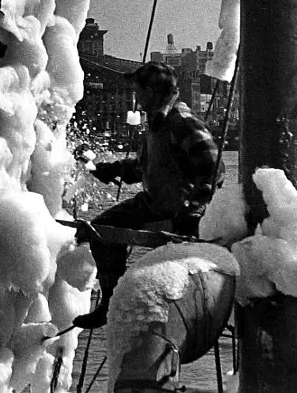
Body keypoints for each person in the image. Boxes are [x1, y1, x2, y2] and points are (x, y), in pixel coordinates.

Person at [73, 61, 222, 330]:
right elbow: (148, 166)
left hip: (176, 207)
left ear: (151, 91)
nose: (136, 97)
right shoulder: (157, 122)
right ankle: (111, 302)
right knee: (100, 229)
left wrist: (195, 206)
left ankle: (116, 304)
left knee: (106, 231)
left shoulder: (180, 121)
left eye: (138, 90)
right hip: (154, 202)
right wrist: (111, 170)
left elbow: (213, 167)